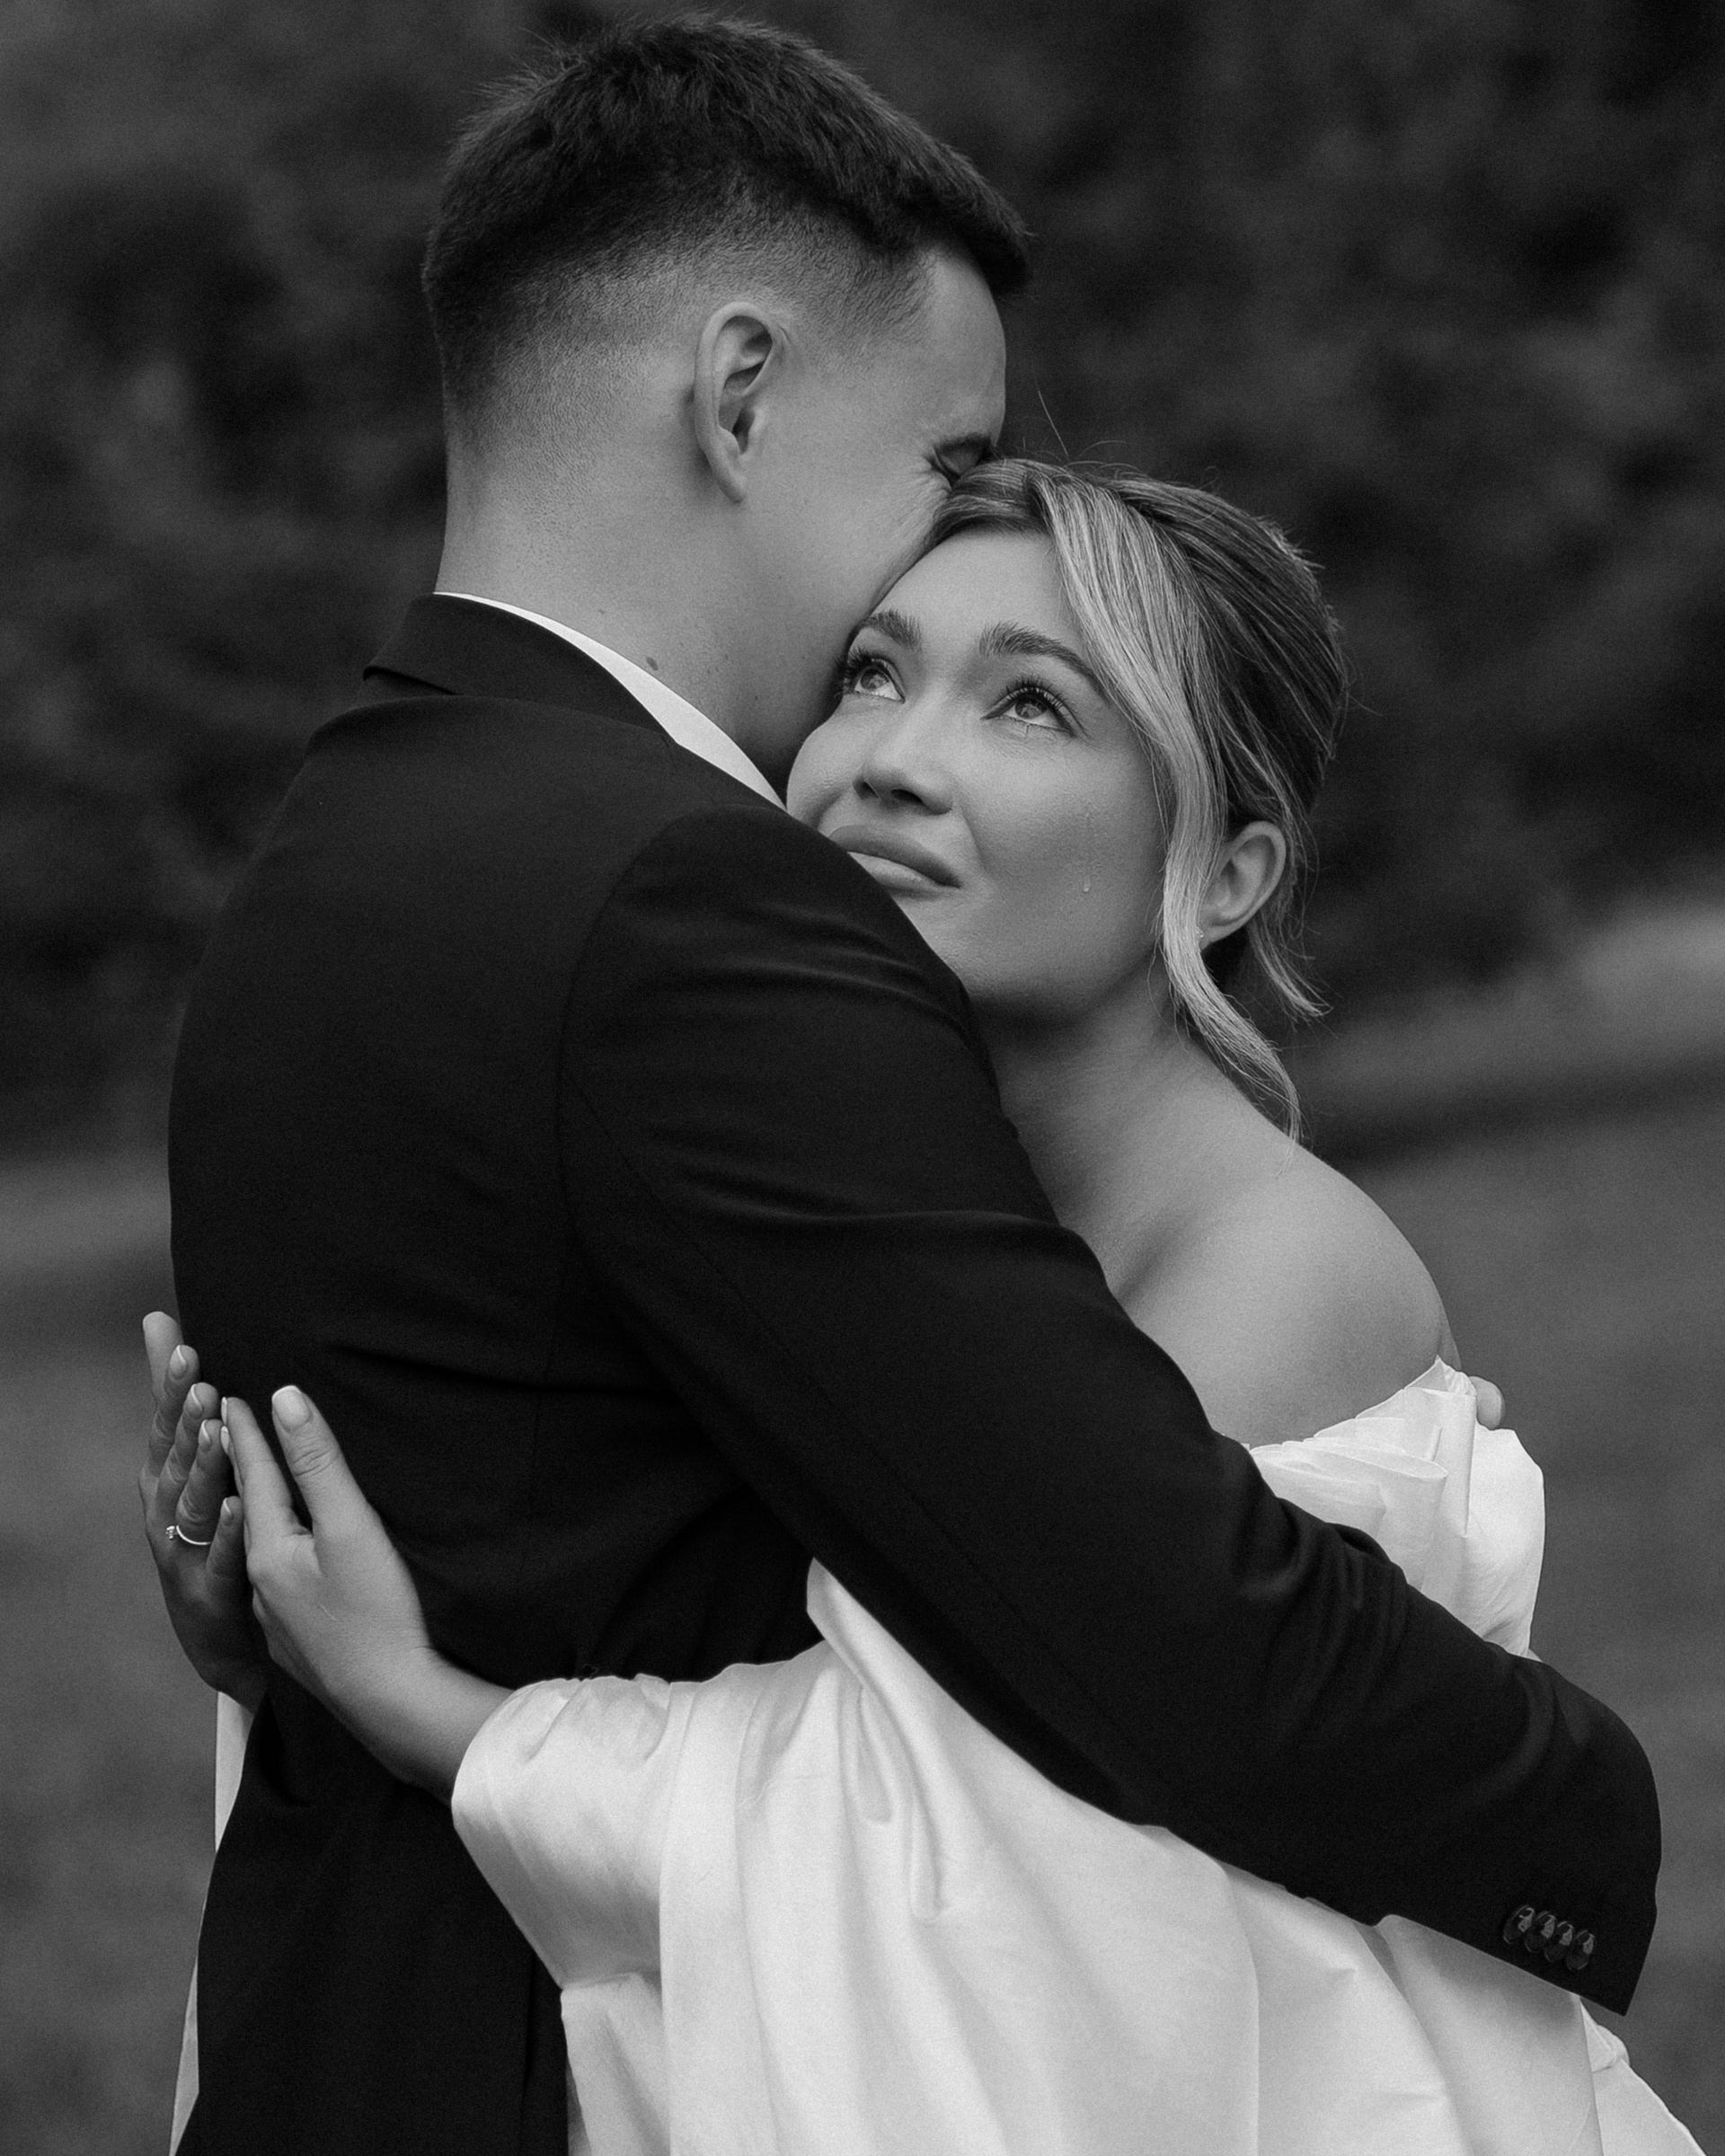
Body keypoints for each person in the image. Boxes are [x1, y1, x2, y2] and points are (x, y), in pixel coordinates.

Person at [138, 19, 1659, 2156]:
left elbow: (1067, 1742)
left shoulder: (335, 853)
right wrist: (1588, 1812)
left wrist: (419, 1702)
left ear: (1226, 860)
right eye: (943, 469)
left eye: (1030, 702)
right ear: (740, 392)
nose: (890, 750)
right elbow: (1121, 1667)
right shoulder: (676, 892)